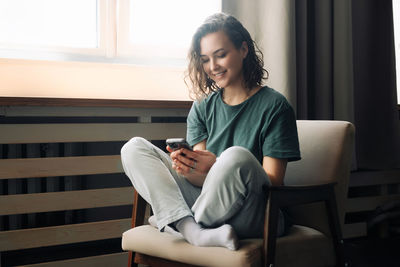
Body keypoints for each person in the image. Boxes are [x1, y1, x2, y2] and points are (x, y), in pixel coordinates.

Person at [120, 13, 300, 251]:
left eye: (221, 55)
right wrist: (193, 168)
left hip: (258, 211)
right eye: (205, 59)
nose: (212, 67)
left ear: (243, 50)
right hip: (212, 207)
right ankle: (193, 231)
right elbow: (200, 182)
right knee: (134, 147)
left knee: (236, 156)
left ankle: (176, 221)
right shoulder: (202, 107)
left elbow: (273, 182)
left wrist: (219, 165)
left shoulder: (275, 106)